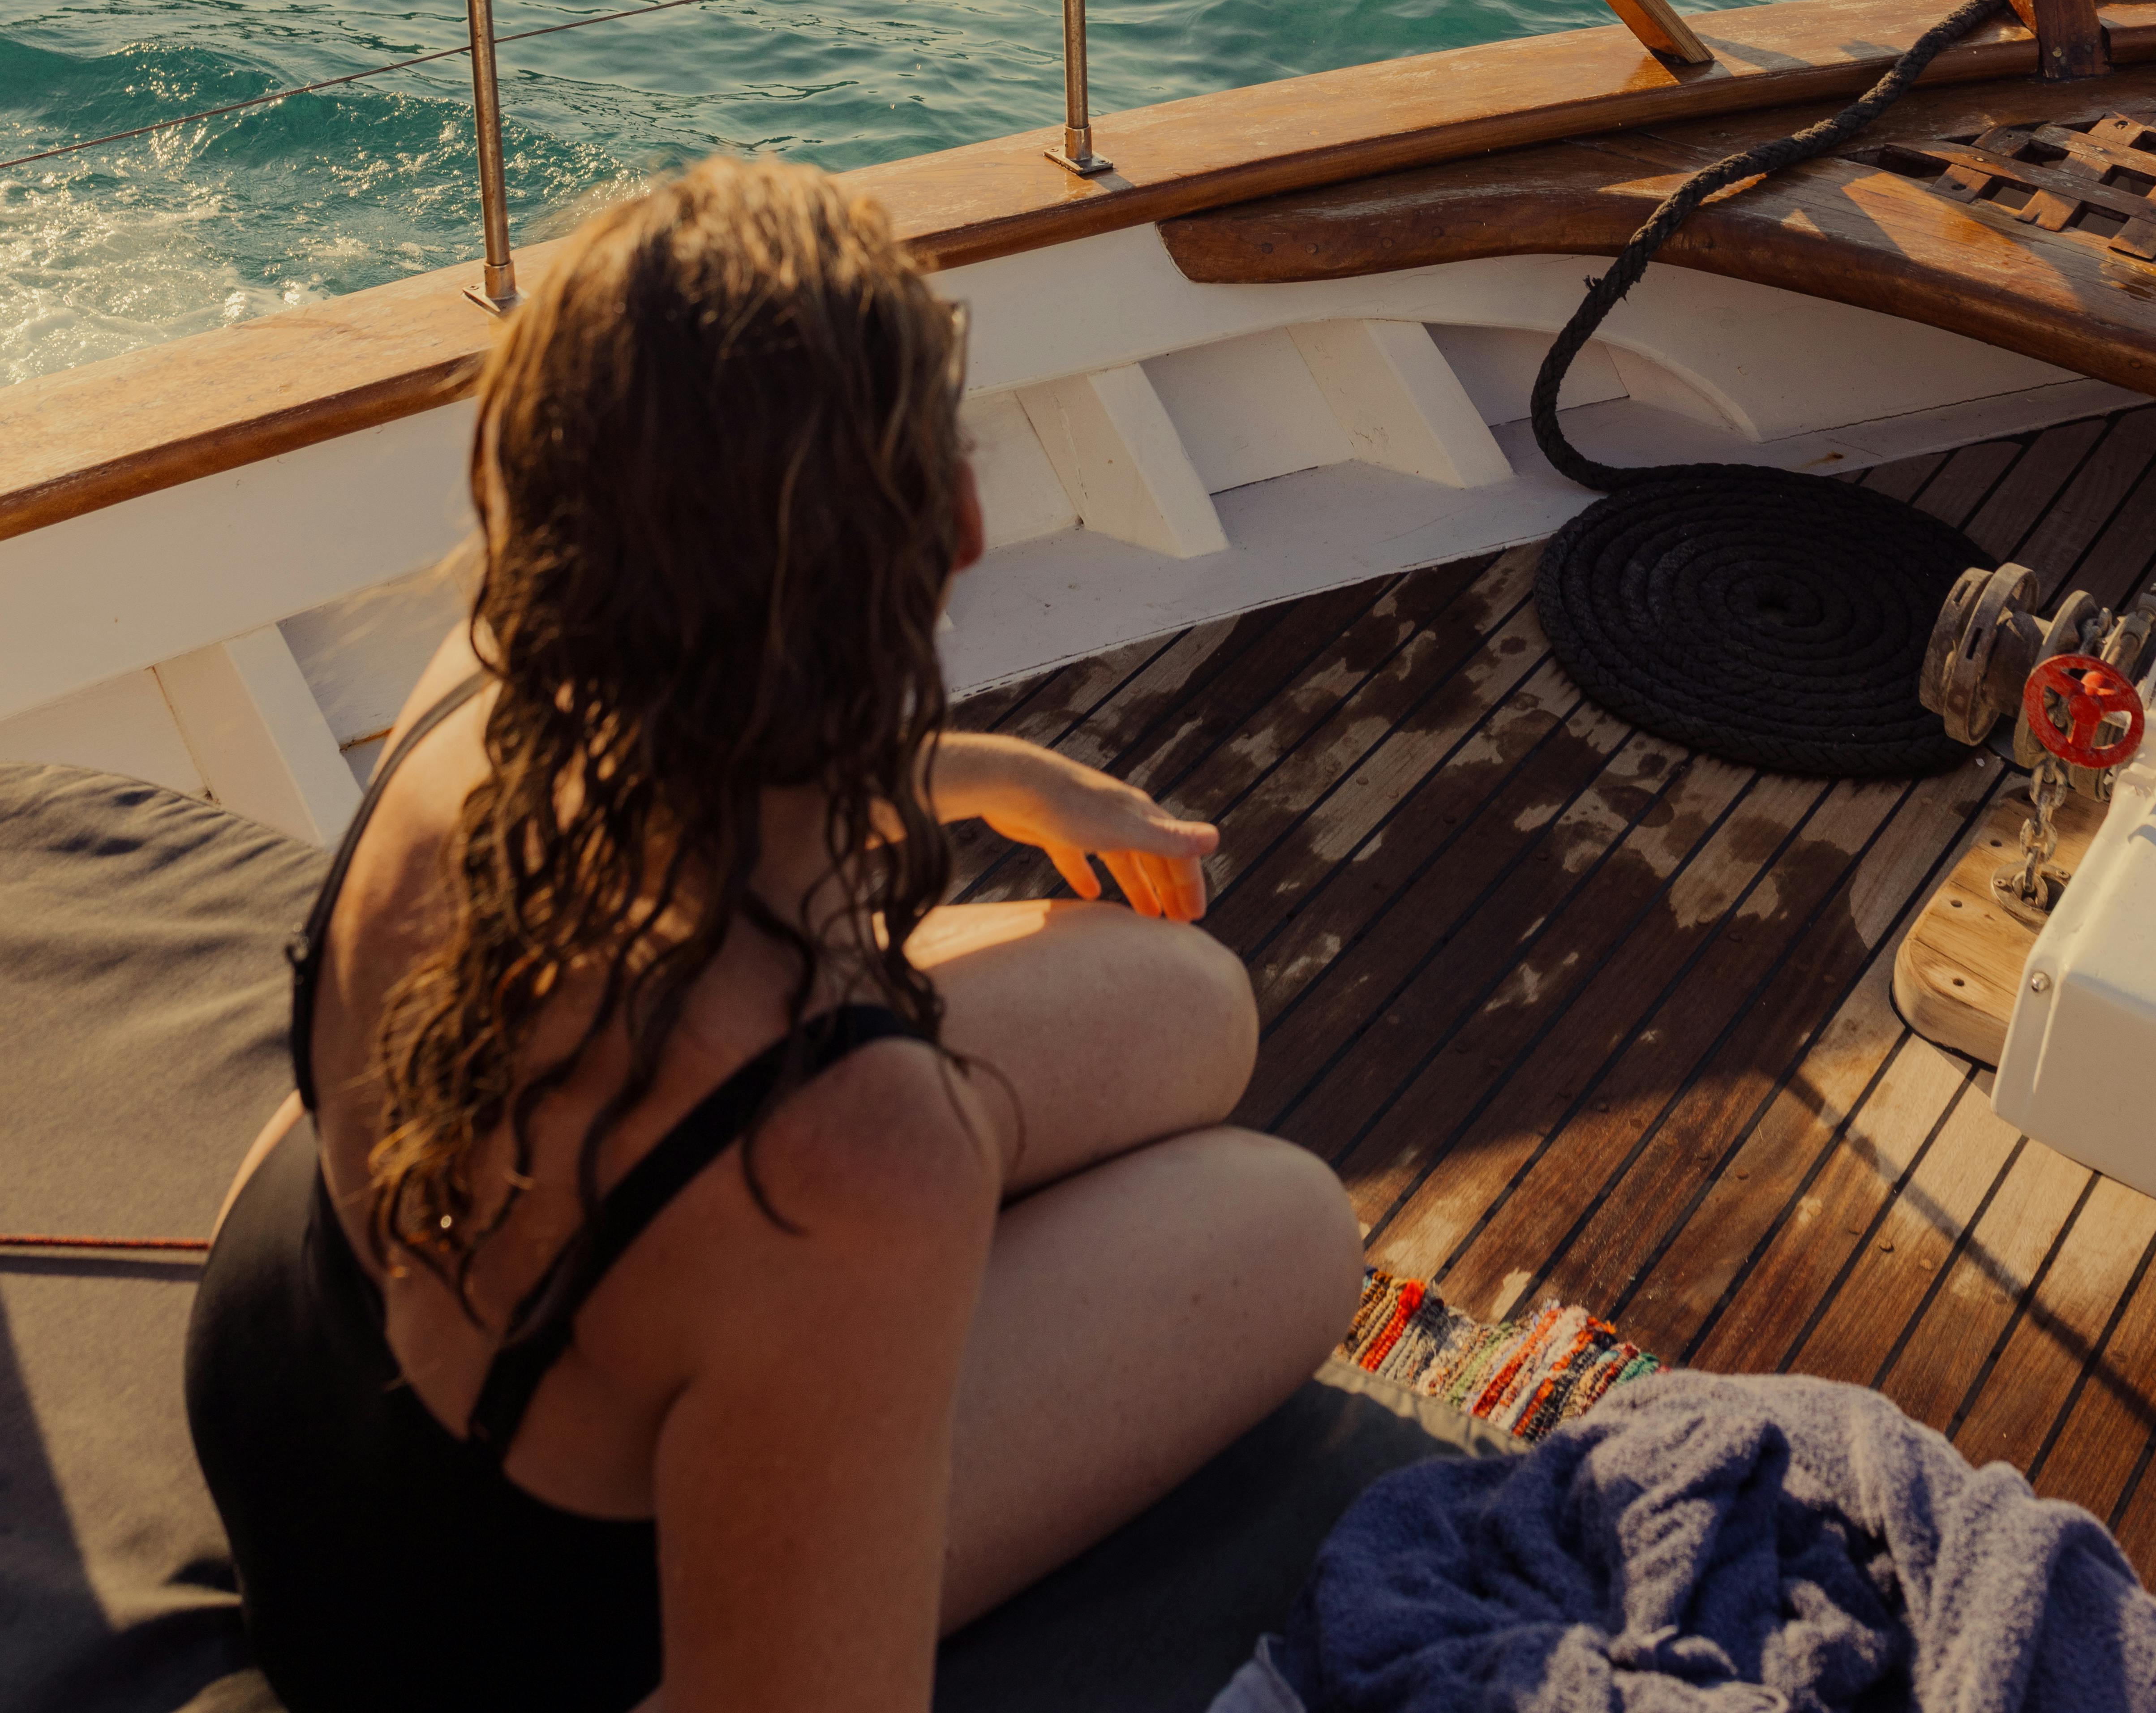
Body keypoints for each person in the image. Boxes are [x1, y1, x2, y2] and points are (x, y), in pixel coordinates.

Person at [185, 158, 1362, 1713]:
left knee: (1184, 999)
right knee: (1284, 1225)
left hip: (293, 1346)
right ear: (953, 528)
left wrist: (991, 771)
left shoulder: (496, 661)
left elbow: (689, 732)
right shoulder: (848, 1147)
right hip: (471, 1626)